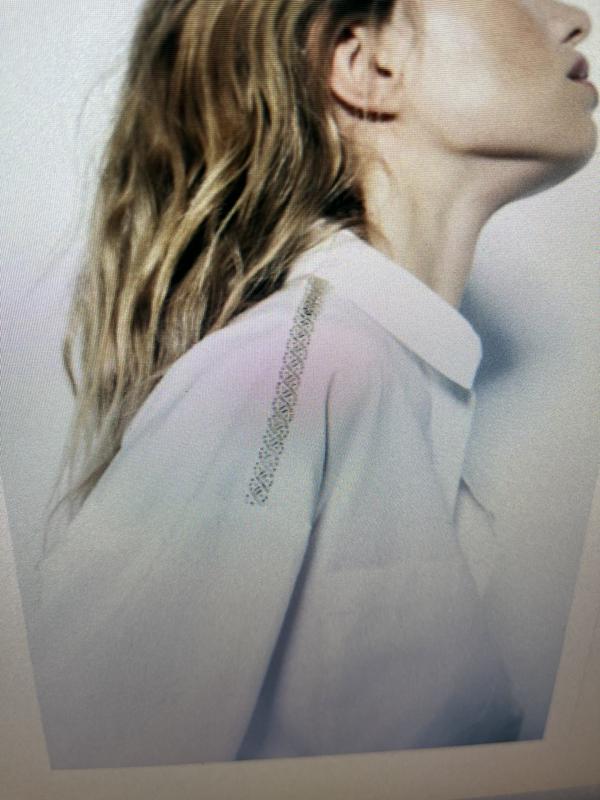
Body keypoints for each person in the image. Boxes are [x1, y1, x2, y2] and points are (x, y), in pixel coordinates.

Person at [28, 0, 596, 769]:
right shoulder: (289, 370)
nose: (572, 19)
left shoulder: (368, 368)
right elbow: (89, 762)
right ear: (366, 65)